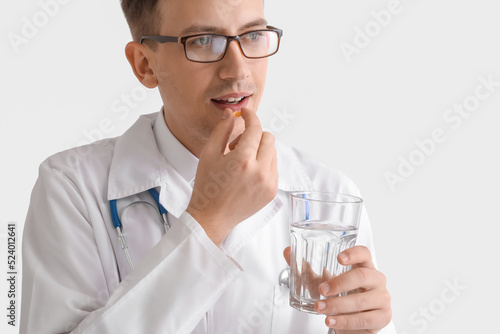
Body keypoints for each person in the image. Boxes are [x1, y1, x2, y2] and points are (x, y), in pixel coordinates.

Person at [21, 0, 396, 333]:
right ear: (145, 65)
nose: (237, 69)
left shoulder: (331, 195)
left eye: (252, 35)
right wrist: (208, 219)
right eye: (203, 41)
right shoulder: (71, 188)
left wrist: (365, 329)